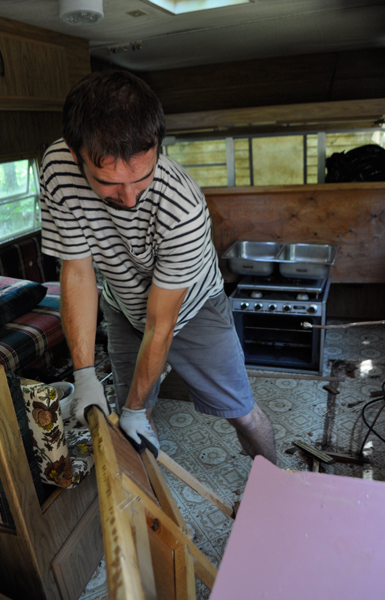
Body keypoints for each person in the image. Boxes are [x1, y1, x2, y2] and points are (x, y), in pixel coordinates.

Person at [40, 70, 277, 465]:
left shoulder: (182, 208)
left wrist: (133, 409)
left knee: (240, 411)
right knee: (133, 415)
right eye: (109, 183)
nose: (129, 199)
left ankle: (272, 484)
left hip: (193, 307)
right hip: (121, 301)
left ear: (156, 147)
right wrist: (84, 375)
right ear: (74, 153)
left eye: (142, 178)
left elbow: (160, 325)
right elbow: (78, 270)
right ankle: (146, 496)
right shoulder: (56, 167)